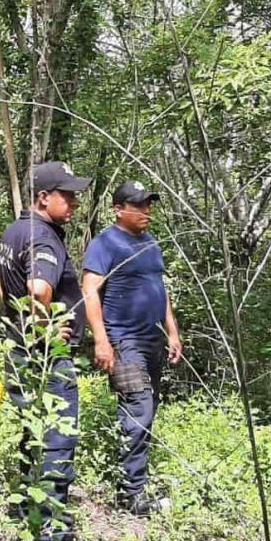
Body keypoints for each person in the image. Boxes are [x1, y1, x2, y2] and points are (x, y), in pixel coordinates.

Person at [0, 161, 90, 541]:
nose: (74, 204)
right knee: (56, 437)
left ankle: (26, 515)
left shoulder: (14, 231)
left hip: (19, 348)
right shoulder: (45, 238)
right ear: (43, 197)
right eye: (67, 196)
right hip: (45, 356)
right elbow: (37, 289)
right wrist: (46, 327)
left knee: (31, 434)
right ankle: (52, 537)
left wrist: (17, 320)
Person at [82, 181, 183, 517]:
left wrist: (173, 331)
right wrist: (101, 341)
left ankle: (133, 479)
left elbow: (159, 288)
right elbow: (90, 293)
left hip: (153, 340)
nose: (146, 212)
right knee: (138, 410)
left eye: (148, 205)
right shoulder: (105, 244)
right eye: (138, 205)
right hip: (125, 341)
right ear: (118, 208)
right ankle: (131, 495)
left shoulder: (151, 243)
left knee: (148, 407)